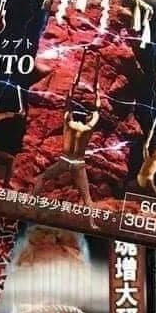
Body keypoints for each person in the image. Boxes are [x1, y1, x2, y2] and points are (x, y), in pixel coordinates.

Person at [30, 51, 103, 228]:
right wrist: (97, 91)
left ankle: (32, 208)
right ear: (87, 117)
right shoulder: (88, 128)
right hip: (78, 164)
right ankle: (92, 224)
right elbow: (97, 110)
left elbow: (67, 103)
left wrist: (73, 85)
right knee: (87, 198)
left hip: (64, 160)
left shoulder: (68, 123)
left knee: (41, 179)